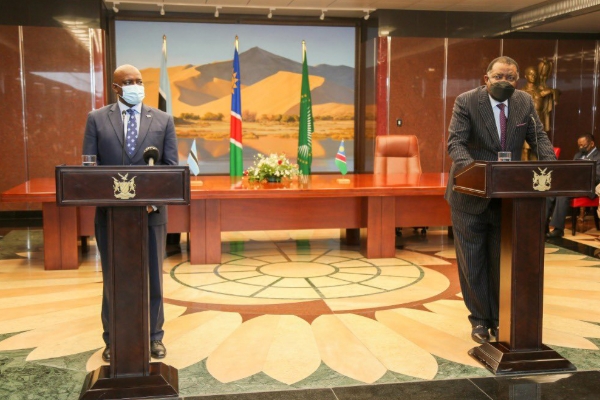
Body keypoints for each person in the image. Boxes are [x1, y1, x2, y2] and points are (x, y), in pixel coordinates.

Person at [445, 56, 556, 344]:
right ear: (487, 79)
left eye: (509, 77)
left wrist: (553, 167)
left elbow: (539, 137)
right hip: (470, 195)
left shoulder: (523, 102)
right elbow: (455, 143)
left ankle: (499, 318)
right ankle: (480, 320)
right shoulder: (466, 101)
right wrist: (474, 173)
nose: (503, 82)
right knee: (473, 261)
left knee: (498, 260)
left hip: (506, 197)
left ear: (516, 80)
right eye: (498, 77)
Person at [82, 64, 178, 362]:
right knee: (113, 278)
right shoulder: (97, 119)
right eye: (128, 82)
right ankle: (113, 339)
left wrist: (152, 200)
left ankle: (154, 338)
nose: (136, 86)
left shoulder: (163, 120)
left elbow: (171, 169)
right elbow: (89, 168)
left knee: (153, 278)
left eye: (139, 81)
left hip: (151, 215)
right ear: (115, 87)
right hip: (111, 216)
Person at [546, 133, 600, 238]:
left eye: (583, 145)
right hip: (574, 185)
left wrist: (580, 180)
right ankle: (543, 225)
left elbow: (597, 177)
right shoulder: (578, 155)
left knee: (562, 194)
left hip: (589, 187)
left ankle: (558, 229)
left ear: (592, 143)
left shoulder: (598, 157)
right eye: (579, 145)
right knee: (550, 193)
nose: (580, 148)